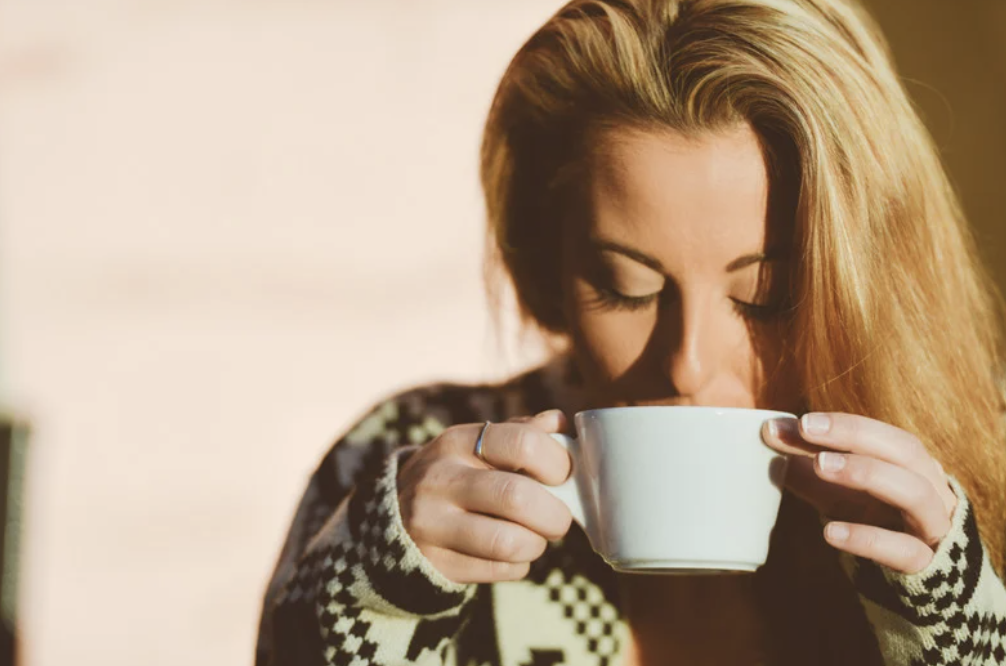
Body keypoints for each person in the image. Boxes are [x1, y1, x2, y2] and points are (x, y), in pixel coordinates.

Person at [255, 0, 1006, 664]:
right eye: (627, 287)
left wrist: (960, 631)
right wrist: (370, 607)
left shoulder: (978, 479)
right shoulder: (402, 457)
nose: (685, 365)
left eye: (764, 295)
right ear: (548, 264)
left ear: (868, 279)